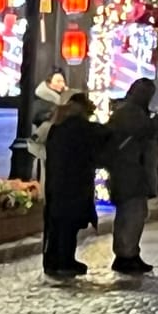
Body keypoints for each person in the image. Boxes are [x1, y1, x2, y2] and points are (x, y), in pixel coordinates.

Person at [106, 78, 158, 275]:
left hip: (133, 171)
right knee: (131, 214)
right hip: (129, 171)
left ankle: (131, 252)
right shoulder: (129, 112)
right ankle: (126, 254)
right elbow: (144, 130)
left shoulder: (130, 110)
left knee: (136, 214)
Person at [41, 93, 104, 277]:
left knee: (57, 223)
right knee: (68, 224)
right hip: (74, 184)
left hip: (57, 183)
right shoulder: (83, 129)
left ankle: (53, 261)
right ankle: (64, 261)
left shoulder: (57, 128)